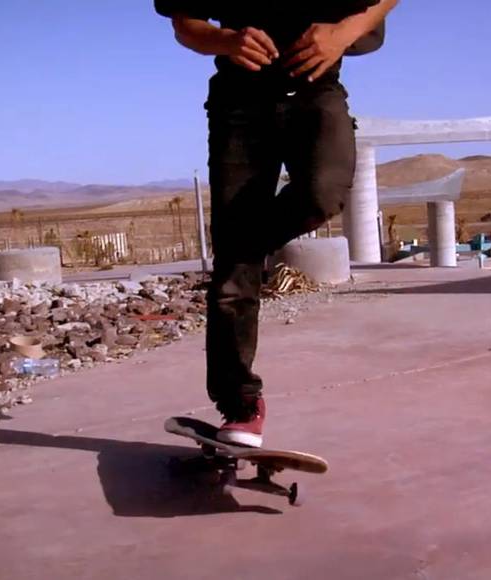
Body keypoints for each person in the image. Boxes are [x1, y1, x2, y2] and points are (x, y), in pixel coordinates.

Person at [154, 0, 398, 447]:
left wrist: (341, 34)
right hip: (239, 106)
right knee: (233, 280)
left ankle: (240, 251)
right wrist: (227, 40)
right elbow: (184, 23)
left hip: (316, 89)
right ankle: (240, 405)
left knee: (322, 194)